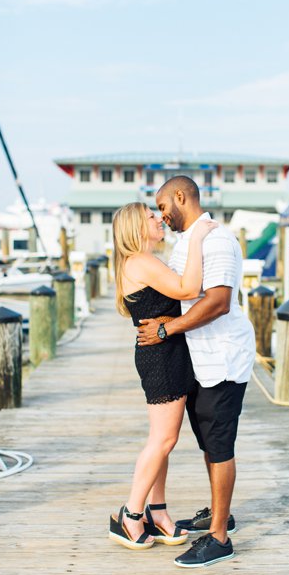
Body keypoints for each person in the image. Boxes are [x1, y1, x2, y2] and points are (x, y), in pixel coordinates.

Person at [136, 175, 256, 568]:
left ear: (181, 197)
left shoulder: (217, 239)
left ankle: (219, 537)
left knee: (220, 445)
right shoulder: (187, 241)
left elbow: (219, 302)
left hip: (222, 357)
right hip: (198, 361)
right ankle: (220, 513)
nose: (161, 213)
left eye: (163, 205)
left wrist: (166, 329)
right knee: (209, 442)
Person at [109, 201, 217, 551]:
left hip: (166, 351)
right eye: (151, 217)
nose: (159, 220)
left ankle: (157, 512)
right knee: (163, 441)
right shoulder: (140, 261)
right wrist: (198, 238)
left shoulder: (142, 260)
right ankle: (131, 514)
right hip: (161, 356)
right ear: (137, 228)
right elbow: (188, 289)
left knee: (162, 440)